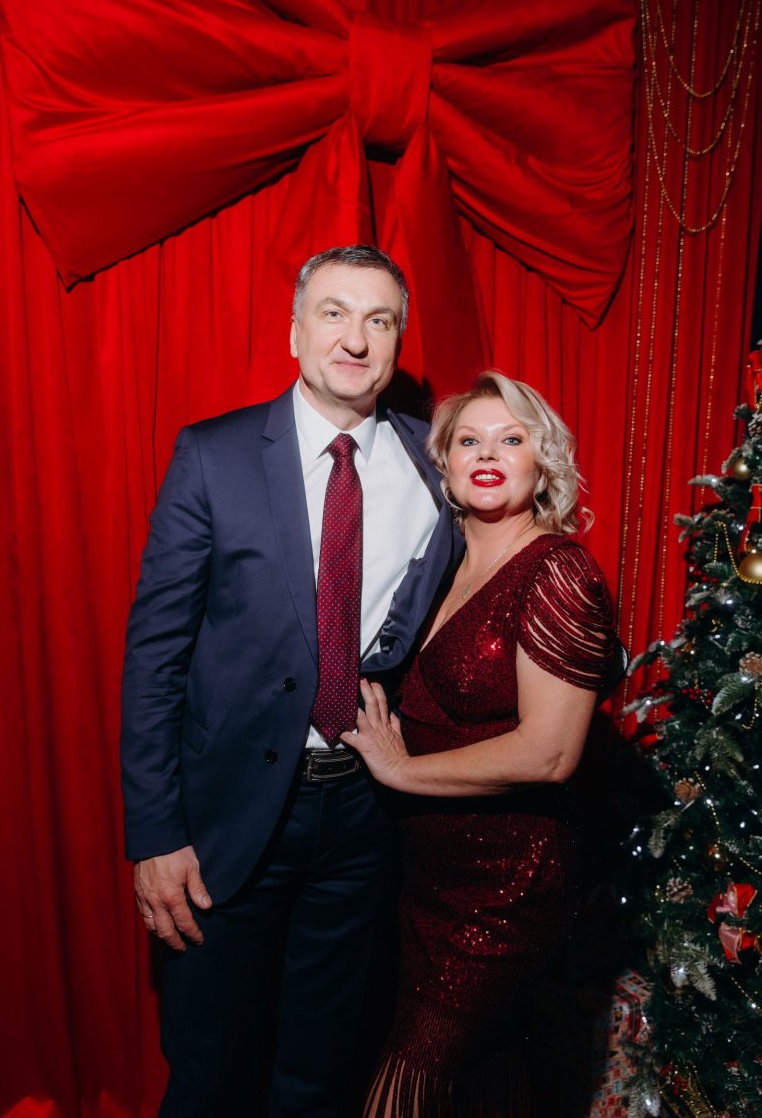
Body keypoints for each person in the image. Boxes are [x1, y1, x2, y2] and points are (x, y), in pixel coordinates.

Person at [120, 245, 458, 1118]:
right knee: (210, 1072)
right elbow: (155, 656)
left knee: (320, 1071)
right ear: (295, 332)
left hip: (366, 817)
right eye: (334, 313)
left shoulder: (436, 464)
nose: (356, 339)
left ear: (397, 342)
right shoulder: (214, 456)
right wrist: (156, 834)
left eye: (379, 320)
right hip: (228, 819)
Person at [340, 371, 618, 1118]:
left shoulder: (558, 571)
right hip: (428, 880)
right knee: (486, 1086)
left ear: (543, 464)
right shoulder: (445, 569)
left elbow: (550, 753)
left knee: (405, 1086)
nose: (487, 454)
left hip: (506, 890)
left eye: (511, 439)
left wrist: (400, 769)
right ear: (446, 465)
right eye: (469, 440)